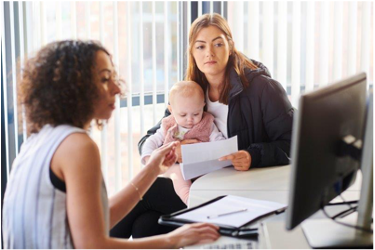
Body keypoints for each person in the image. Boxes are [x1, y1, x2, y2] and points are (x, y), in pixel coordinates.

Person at [2, 40, 220, 249]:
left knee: (147, 224)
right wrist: (175, 240)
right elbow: (92, 245)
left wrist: (153, 168)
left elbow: (98, 219)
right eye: (105, 79)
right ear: (75, 88)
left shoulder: (39, 141)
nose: (117, 88)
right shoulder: (77, 146)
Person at [112, 13, 294, 239]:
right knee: (146, 225)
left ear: (230, 46)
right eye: (200, 46)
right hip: (201, 187)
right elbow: (152, 137)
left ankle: (89, 242)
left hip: (240, 192)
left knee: (147, 193)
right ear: (192, 52)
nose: (209, 53)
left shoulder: (263, 89)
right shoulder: (192, 91)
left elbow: (294, 144)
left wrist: (252, 155)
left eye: (217, 43)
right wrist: (173, 152)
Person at [141, 81, 226, 204]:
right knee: (177, 172)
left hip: (201, 166)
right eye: (183, 114)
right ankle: (188, 198)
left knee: (210, 177)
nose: (190, 119)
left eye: (196, 113)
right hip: (175, 166)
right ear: (171, 110)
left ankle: (205, 199)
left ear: (203, 106)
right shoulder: (168, 124)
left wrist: (209, 151)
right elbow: (151, 141)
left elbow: (219, 142)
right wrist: (149, 159)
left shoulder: (207, 123)